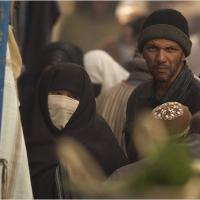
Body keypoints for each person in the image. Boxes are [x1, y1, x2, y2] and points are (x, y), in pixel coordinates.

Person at [23, 63, 129, 198]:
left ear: (84, 101)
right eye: (56, 93)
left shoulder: (100, 138)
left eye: (72, 97)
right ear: (43, 93)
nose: (62, 103)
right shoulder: (24, 132)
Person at [124, 8, 200, 162]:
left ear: (183, 54)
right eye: (152, 48)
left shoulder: (197, 96)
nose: (160, 58)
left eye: (170, 49)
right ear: (142, 52)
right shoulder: (138, 95)